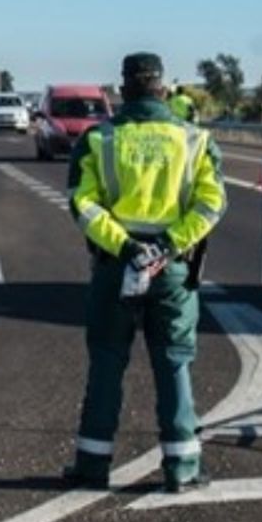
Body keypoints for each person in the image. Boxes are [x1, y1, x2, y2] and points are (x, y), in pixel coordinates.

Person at [62, 53, 226, 493]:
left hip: (117, 266)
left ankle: (93, 466)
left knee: (107, 362)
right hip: (172, 268)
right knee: (173, 362)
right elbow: (212, 204)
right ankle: (183, 469)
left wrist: (128, 246)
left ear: (123, 89)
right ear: (164, 88)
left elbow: (82, 203)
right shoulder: (194, 139)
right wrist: (169, 246)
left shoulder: (101, 139)